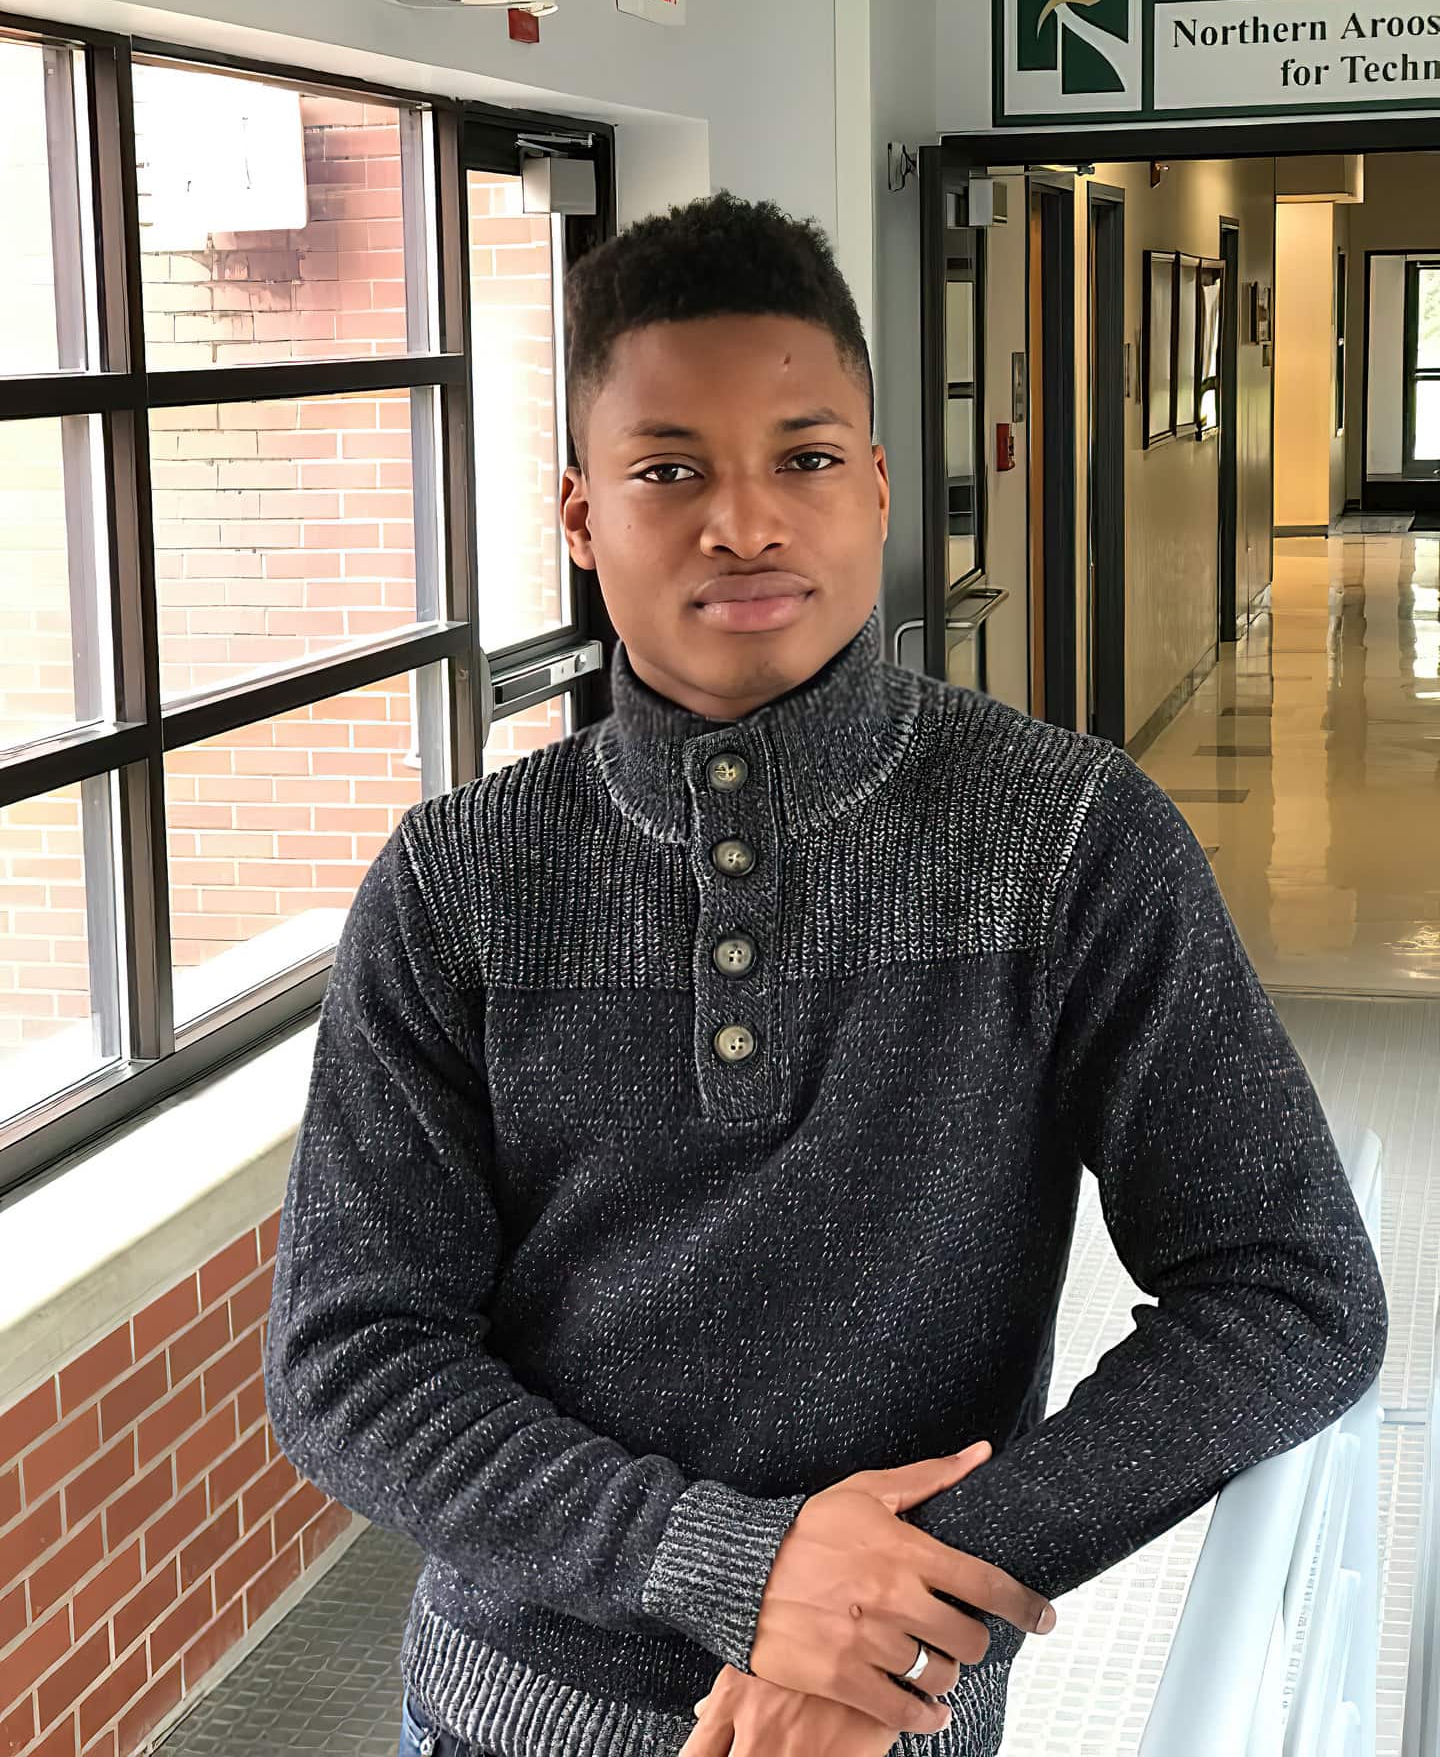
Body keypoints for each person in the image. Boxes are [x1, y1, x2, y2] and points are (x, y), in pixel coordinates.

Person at [263, 191, 1387, 1757]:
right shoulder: (458, 880)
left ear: (874, 486)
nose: (743, 523)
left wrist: (903, 1611)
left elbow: (1294, 1293)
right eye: (671, 472)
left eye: (801, 459)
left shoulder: (1064, 837)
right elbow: (349, 1360)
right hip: (502, 1718)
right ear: (583, 518)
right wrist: (745, 1572)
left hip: (887, 1729)